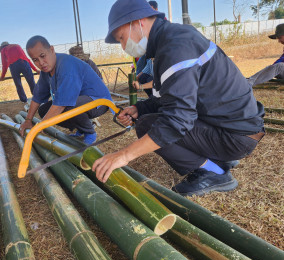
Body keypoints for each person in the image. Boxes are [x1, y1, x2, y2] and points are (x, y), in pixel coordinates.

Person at [91, 0, 265, 197]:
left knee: (148, 126)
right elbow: (166, 98)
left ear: (137, 22)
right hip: (232, 127)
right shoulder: (169, 42)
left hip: (236, 136)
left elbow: (177, 119)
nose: (124, 47)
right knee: (147, 119)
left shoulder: (176, 47)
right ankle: (217, 158)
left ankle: (215, 172)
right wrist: (139, 108)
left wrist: (124, 155)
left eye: (122, 38)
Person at [19, 36, 113, 144]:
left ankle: (89, 131)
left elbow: (61, 105)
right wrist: (28, 120)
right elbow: (38, 96)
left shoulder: (66, 65)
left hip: (99, 101)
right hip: (79, 101)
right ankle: (81, 129)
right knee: (43, 110)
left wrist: (39, 128)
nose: (41, 62)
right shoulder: (46, 70)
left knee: (68, 106)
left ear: (52, 50)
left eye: (43, 56)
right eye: (35, 60)